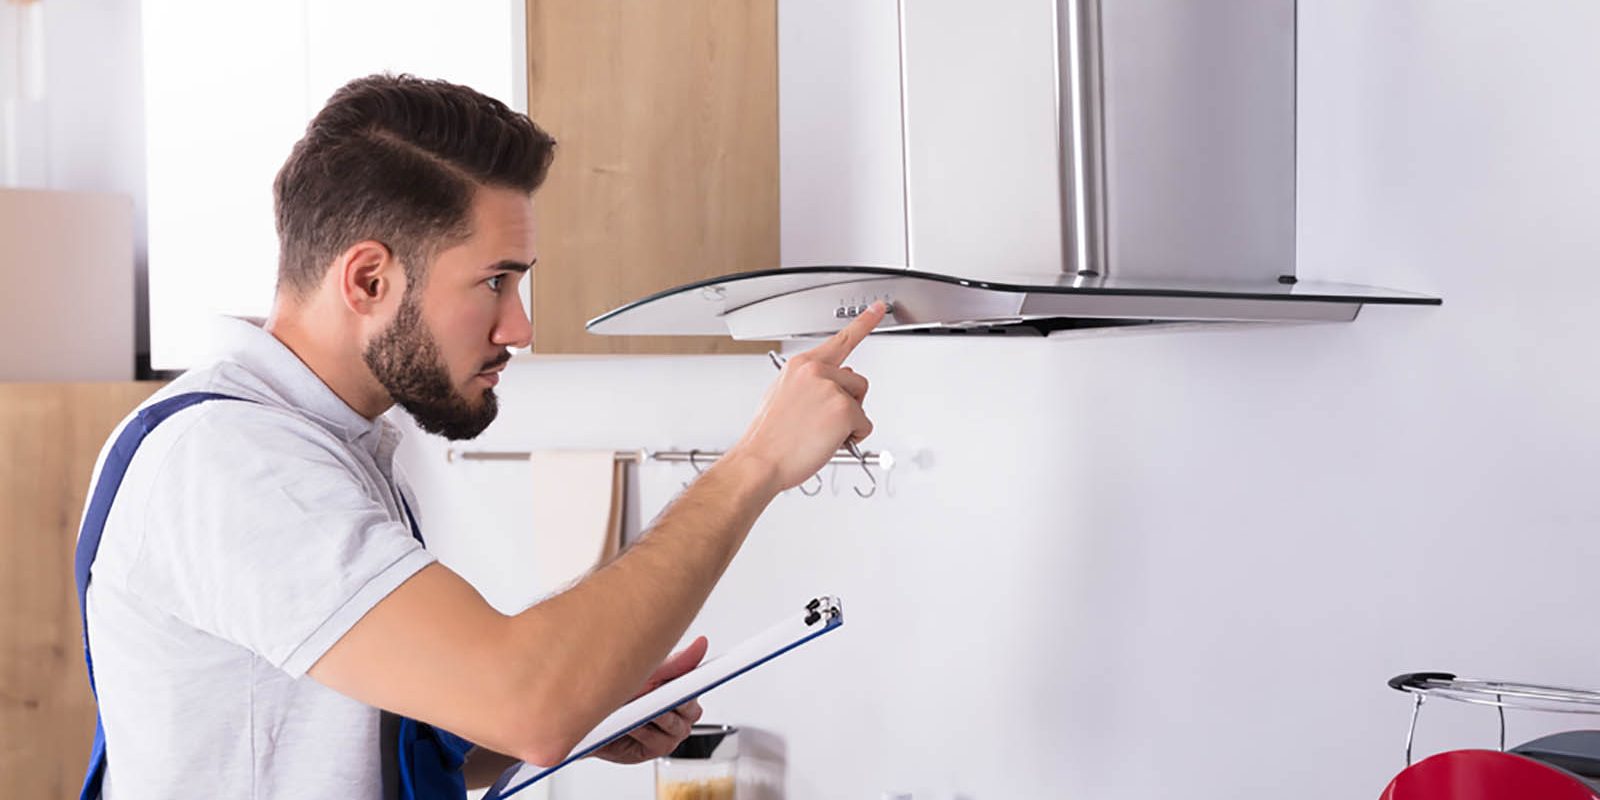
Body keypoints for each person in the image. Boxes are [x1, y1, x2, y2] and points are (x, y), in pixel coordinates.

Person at [74, 73, 885, 798]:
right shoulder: (234, 463)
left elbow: (354, 756)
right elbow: (527, 702)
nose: (521, 327)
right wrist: (757, 464)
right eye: (495, 282)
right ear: (368, 279)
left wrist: (584, 716)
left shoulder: (327, 444)